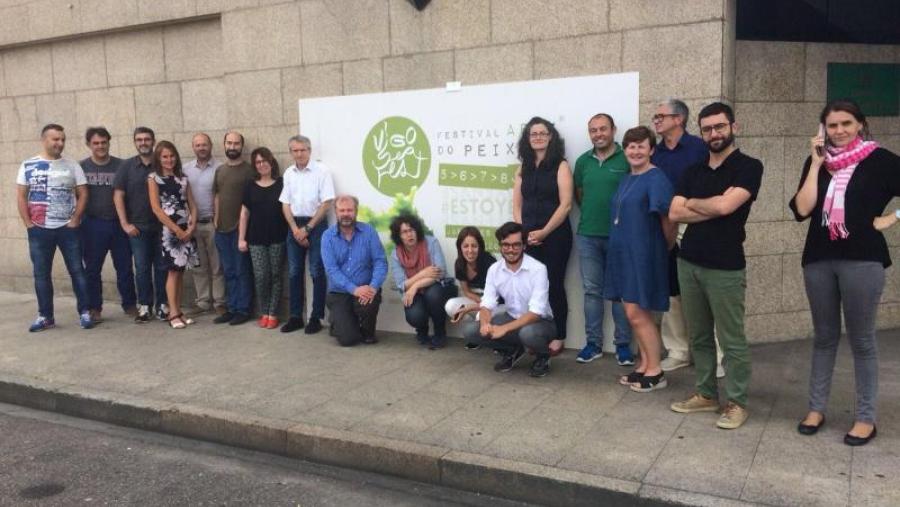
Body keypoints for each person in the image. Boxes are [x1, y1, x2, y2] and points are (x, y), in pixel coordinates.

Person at [789, 99, 900, 446]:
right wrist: (816, 164)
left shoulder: (880, 160)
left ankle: (865, 417)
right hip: (819, 258)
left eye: (846, 124)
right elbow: (803, 208)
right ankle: (816, 409)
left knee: (862, 340)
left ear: (860, 125)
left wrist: (892, 219)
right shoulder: (818, 162)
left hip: (862, 259)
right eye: (832, 125)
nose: (839, 131)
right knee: (823, 338)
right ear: (823, 129)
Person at [669, 102, 763, 430]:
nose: (714, 133)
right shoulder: (692, 171)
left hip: (725, 266)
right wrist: (709, 205)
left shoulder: (749, 167)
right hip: (689, 261)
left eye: (719, 127)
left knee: (731, 339)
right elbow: (675, 212)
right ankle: (706, 394)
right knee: (699, 336)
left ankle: (737, 402)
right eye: (707, 129)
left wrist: (698, 203)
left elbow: (727, 207)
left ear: (733, 127)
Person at [651, 98, 723, 376]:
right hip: (663, 227)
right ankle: (678, 350)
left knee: (704, 292)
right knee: (672, 292)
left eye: (661, 116)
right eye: (656, 117)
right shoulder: (655, 153)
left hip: (696, 224)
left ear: (678, 119)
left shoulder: (698, 149)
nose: (656, 120)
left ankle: (715, 356)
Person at [604, 126, 676, 393]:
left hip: (644, 254)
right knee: (635, 312)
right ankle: (644, 364)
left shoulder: (656, 178)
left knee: (636, 313)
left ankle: (656, 371)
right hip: (623, 254)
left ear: (651, 149)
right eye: (631, 147)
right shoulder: (626, 178)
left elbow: (668, 219)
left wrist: (663, 247)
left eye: (641, 146)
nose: (635, 151)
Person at [16, 124, 93, 331]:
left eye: (62, 139)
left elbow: (83, 193)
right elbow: (22, 196)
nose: (60, 143)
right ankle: (45, 316)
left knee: (77, 271)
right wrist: (28, 224)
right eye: (55, 139)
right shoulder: (28, 165)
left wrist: (76, 218)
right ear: (44, 140)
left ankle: (85, 312)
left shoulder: (72, 165)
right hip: (39, 229)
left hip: (68, 229)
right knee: (41, 274)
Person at [572, 113, 634, 366]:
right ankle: (594, 344)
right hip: (588, 235)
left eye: (602, 129)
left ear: (613, 130)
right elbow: (580, 195)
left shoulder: (627, 158)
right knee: (591, 292)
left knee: (619, 293)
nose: (598, 134)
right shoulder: (582, 162)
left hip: (620, 237)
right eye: (593, 130)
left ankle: (622, 346)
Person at [462, 222, 556, 377]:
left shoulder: (538, 269)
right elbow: (487, 304)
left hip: (541, 324)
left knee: (528, 333)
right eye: (506, 245)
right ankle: (512, 350)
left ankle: (543, 356)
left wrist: (504, 329)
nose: (510, 250)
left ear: (524, 246)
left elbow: (536, 313)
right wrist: (485, 323)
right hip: (512, 318)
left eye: (516, 245)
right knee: (471, 330)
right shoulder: (494, 270)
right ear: (500, 246)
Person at [512, 117, 573, 355]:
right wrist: (524, 233)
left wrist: (544, 231)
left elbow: (566, 205)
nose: (537, 137)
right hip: (528, 237)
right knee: (532, 287)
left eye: (542, 133)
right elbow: (517, 205)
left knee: (554, 284)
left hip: (556, 236)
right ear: (528, 139)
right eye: (533, 133)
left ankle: (559, 335)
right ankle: (533, 333)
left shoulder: (561, 165)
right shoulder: (523, 168)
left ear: (550, 137)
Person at [279, 135, 335, 334]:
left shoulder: (322, 171)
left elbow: (326, 203)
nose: (299, 154)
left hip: (316, 225)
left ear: (309, 150)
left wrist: (308, 229)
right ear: (291, 152)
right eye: (295, 150)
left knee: (316, 271)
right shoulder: (288, 173)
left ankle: (316, 317)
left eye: (303, 150)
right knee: (294, 272)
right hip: (294, 225)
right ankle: (296, 317)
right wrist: (295, 229)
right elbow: (285, 204)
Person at [80, 126, 136, 322]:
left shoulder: (122, 166)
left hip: (119, 225)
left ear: (109, 142)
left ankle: (129, 304)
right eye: (96, 143)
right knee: (93, 269)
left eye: (104, 142)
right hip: (93, 225)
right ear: (89, 145)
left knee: (125, 267)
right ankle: (94, 307)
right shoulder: (81, 167)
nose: (100, 146)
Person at [114, 126, 168, 323]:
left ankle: (162, 305)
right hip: (138, 228)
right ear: (135, 142)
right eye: (139, 140)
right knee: (142, 268)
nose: (143, 143)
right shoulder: (127, 166)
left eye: (147, 139)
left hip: (162, 227)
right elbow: (118, 195)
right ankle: (144, 306)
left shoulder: (162, 164)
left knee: (162, 267)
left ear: (153, 141)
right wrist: (124, 223)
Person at [320, 195, 388, 347]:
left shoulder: (369, 231)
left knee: (368, 307)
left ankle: (366, 331)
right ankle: (339, 321)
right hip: (339, 292)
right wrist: (354, 289)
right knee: (348, 340)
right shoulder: (327, 237)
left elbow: (380, 262)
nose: (345, 214)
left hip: (366, 290)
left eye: (349, 210)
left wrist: (373, 287)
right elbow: (331, 270)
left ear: (356, 211)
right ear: (336, 212)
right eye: (342, 210)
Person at [148, 141, 199, 329]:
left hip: (186, 228)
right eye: (164, 157)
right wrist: (175, 229)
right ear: (159, 159)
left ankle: (178, 310)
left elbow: (192, 203)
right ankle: (173, 313)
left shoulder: (183, 178)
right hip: (169, 231)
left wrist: (191, 225)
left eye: (171, 156)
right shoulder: (153, 178)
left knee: (180, 272)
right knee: (172, 271)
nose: (169, 160)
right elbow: (156, 208)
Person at [389, 213, 457, 349]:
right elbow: (401, 284)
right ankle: (422, 329)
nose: (409, 235)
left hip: (440, 287)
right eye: (404, 232)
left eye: (412, 230)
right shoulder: (396, 254)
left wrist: (414, 286)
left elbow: (440, 272)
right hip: (417, 293)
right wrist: (422, 273)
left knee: (433, 294)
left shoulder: (431, 242)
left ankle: (440, 332)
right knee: (414, 316)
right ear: (399, 236)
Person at [238, 148, 288, 329]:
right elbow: (244, 213)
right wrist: (241, 239)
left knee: (275, 275)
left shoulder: (282, 184)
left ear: (271, 161)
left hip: (278, 237)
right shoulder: (250, 186)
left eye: (264, 161)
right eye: (258, 162)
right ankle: (263, 311)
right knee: (261, 276)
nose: (262, 165)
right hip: (255, 239)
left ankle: (272, 313)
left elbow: (288, 208)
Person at [212, 131, 255, 326]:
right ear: (224, 145)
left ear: (241, 146)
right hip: (221, 230)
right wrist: (215, 220)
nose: (232, 147)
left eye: (236, 144)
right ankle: (232, 308)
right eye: (229, 143)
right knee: (228, 271)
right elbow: (217, 195)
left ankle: (243, 310)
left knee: (241, 271)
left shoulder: (249, 171)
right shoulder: (220, 170)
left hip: (240, 230)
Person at [183, 132, 225, 316]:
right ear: (193, 147)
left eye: (204, 144)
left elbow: (223, 196)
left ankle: (220, 302)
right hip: (193, 225)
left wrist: (218, 220)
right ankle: (203, 302)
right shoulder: (185, 169)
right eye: (198, 145)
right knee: (198, 266)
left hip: (213, 223)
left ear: (211, 146)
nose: (201, 148)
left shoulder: (220, 168)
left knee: (217, 266)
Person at [444, 226, 497, 350]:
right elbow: (466, 291)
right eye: (465, 246)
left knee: (481, 316)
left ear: (480, 247)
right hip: (476, 299)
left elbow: (496, 298)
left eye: (474, 246)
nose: (470, 250)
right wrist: (477, 303)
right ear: (460, 247)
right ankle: (475, 338)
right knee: (451, 305)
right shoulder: (459, 263)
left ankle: (495, 341)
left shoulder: (489, 262)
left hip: (493, 303)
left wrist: (483, 305)